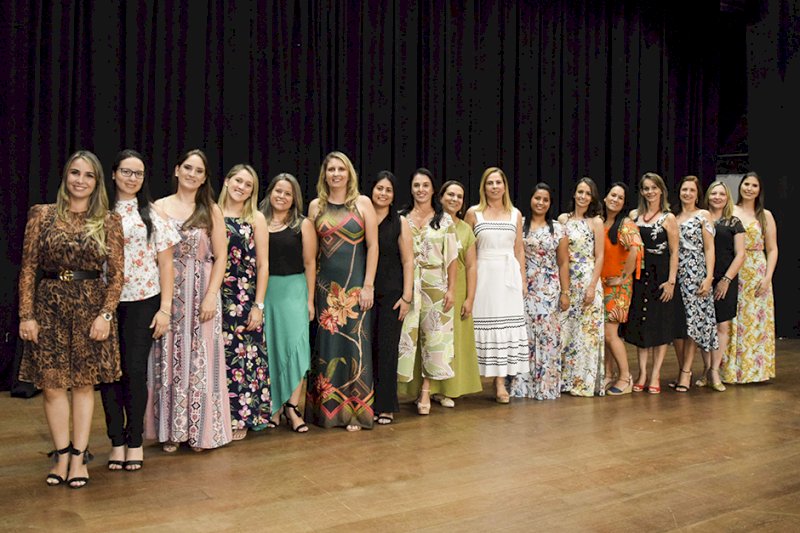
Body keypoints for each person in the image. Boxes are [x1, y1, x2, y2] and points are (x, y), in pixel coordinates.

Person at [18, 150, 124, 488]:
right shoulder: (42, 214)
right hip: (49, 305)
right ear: (66, 176)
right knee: (51, 386)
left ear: (97, 182)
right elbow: (29, 268)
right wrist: (27, 314)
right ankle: (61, 454)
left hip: (91, 306)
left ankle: (79, 458)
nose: (81, 180)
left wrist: (106, 314)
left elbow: (118, 274)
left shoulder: (108, 220)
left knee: (82, 385)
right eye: (75, 173)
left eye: (88, 175)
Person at [146, 149, 232, 451]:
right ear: (176, 170)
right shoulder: (158, 207)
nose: (192, 174)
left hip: (202, 292)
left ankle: (200, 430)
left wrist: (211, 295)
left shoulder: (211, 209)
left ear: (204, 177)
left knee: (201, 360)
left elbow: (221, 256)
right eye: (188, 168)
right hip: (169, 291)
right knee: (167, 357)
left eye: (199, 170)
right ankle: (171, 430)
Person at [100, 150, 179, 472]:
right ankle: (115, 441)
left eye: (139, 173)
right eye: (127, 172)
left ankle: (134, 442)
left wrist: (165, 309)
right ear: (114, 173)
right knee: (107, 374)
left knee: (133, 371)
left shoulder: (152, 214)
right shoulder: (99, 210)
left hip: (143, 300)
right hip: (103, 302)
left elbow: (166, 264)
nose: (132, 178)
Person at [307, 151, 378, 431]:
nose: (336, 174)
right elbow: (311, 256)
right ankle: (326, 412)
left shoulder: (362, 203)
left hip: (356, 289)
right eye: (331, 169)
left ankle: (355, 413)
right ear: (324, 174)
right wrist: (311, 293)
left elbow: (372, 246)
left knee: (355, 348)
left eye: (341, 169)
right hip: (326, 290)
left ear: (349, 173)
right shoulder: (315, 206)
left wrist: (368, 284)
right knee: (328, 349)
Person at [218, 164, 273, 440]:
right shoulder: (211, 213)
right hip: (215, 296)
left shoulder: (256, 218)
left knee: (244, 358)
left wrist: (258, 305)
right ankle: (216, 415)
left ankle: (242, 417)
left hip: (243, 299)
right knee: (217, 357)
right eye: (238, 180)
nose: (241, 187)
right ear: (227, 181)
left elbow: (263, 265)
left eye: (248, 184)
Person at [396, 169, 458, 415]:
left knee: (435, 337)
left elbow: (452, 257)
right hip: (408, 283)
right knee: (404, 337)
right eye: (416, 185)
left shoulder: (444, 220)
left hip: (435, 282)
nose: (420, 189)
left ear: (433, 190)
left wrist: (452, 289)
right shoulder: (401, 217)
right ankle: (395, 389)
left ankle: (426, 391)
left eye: (425, 185)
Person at [465, 167, 528, 403]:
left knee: (505, 327)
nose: (494, 187)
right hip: (482, 275)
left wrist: (522, 279)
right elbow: (465, 246)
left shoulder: (515, 214)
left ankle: (500, 382)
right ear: (484, 187)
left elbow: (519, 249)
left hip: (508, 277)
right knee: (478, 325)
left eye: (498, 182)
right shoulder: (474, 213)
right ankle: (468, 380)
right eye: (489, 183)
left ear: (504, 186)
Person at [260, 173, 316, 433]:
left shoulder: (302, 225)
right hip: (266, 292)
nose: (281, 197)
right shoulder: (257, 220)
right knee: (271, 349)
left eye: (288, 193)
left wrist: (310, 300)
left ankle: (293, 408)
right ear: (270, 192)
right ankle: (274, 407)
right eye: (278, 191)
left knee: (296, 349)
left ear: (294, 199)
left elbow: (310, 263)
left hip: (294, 290)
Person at [507, 183, 569, 399]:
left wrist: (565, 293)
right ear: (530, 200)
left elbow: (563, 263)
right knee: (524, 336)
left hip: (549, 289)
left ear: (550, 203)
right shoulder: (519, 224)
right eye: (537, 198)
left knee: (547, 337)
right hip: (522, 286)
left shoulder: (558, 228)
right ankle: (521, 386)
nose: (540, 203)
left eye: (545, 199)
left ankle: (546, 386)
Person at [623, 172, 683, 394]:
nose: (649, 192)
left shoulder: (668, 218)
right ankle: (642, 373)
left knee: (660, 327)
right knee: (641, 326)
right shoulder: (634, 215)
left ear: (661, 190)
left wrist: (671, 282)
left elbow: (675, 251)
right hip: (639, 277)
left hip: (661, 278)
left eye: (653, 188)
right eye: (646, 188)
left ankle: (655, 374)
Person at [721, 172, 778, 383]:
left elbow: (772, 249)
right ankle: (727, 371)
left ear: (759, 190)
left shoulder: (765, 216)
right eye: (746, 184)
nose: (749, 188)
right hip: (734, 268)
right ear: (740, 186)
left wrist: (767, 277)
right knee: (731, 320)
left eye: (754, 185)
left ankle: (754, 371)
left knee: (755, 320)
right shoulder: (730, 211)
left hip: (756, 271)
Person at [369, 171, 413, 424]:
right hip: (362, 293)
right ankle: (365, 402)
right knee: (366, 350)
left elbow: (408, 260)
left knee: (386, 349)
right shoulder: (361, 217)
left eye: (388, 190)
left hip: (392, 295)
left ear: (394, 195)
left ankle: (385, 406)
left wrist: (406, 297)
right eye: (379, 188)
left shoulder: (400, 222)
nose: (383, 193)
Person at [557, 177, 605, 397]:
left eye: (587, 193)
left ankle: (583, 383)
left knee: (586, 334)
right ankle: (563, 380)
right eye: (580, 192)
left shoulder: (596, 221)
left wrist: (592, 286)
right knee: (565, 331)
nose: (583, 196)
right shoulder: (563, 219)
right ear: (574, 194)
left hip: (587, 278)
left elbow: (600, 255)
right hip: (567, 279)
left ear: (592, 197)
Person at [671, 175, 718, 393]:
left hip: (696, 273)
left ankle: (686, 372)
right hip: (675, 274)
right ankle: (683, 369)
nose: (687, 193)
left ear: (697, 194)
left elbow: (709, 248)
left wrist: (709, 277)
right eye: (684, 189)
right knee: (678, 325)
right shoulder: (673, 216)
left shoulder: (703, 215)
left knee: (693, 324)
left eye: (691, 190)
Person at [698, 181, 745, 391]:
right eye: (714, 193)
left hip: (726, 279)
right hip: (702, 278)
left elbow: (741, 254)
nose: (717, 197)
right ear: (708, 196)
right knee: (704, 326)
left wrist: (726, 280)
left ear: (727, 198)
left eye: (722, 194)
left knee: (722, 325)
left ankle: (715, 370)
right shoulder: (700, 218)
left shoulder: (734, 222)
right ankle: (706, 369)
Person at [600, 182, 642, 396]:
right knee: (605, 334)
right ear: (605, 198)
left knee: (610, 333)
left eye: (620, 197)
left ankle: (625, 377)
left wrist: (623, 277)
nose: (615, 199)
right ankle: (608, 373)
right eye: (612, 195)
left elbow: (636, 249)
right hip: (602, 284)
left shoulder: (625, 223)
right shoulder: (601, 221)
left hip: (617, 287)